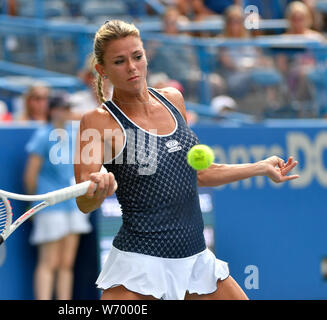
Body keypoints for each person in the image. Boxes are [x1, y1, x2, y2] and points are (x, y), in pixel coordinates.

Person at [74, 20, 299, 300]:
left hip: (196, 259)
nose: (132, 67)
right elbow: (84, 201)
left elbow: (200, 173)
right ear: (102, 70)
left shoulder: (173, 99)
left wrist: (259, 167)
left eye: (137, 56)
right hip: (139, 266)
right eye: (119, 61)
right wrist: (98, 188)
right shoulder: (96, 122)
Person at [25, 93, 92, 300]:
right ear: (53, 111)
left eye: (68, 108)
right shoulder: (43, 135)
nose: (67, 112)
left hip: (73, 206)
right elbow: (30, 175)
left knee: (66, 263)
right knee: (49, 262)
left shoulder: (74, 134)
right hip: (50, 206)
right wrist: (33, 207)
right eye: (63, 108)